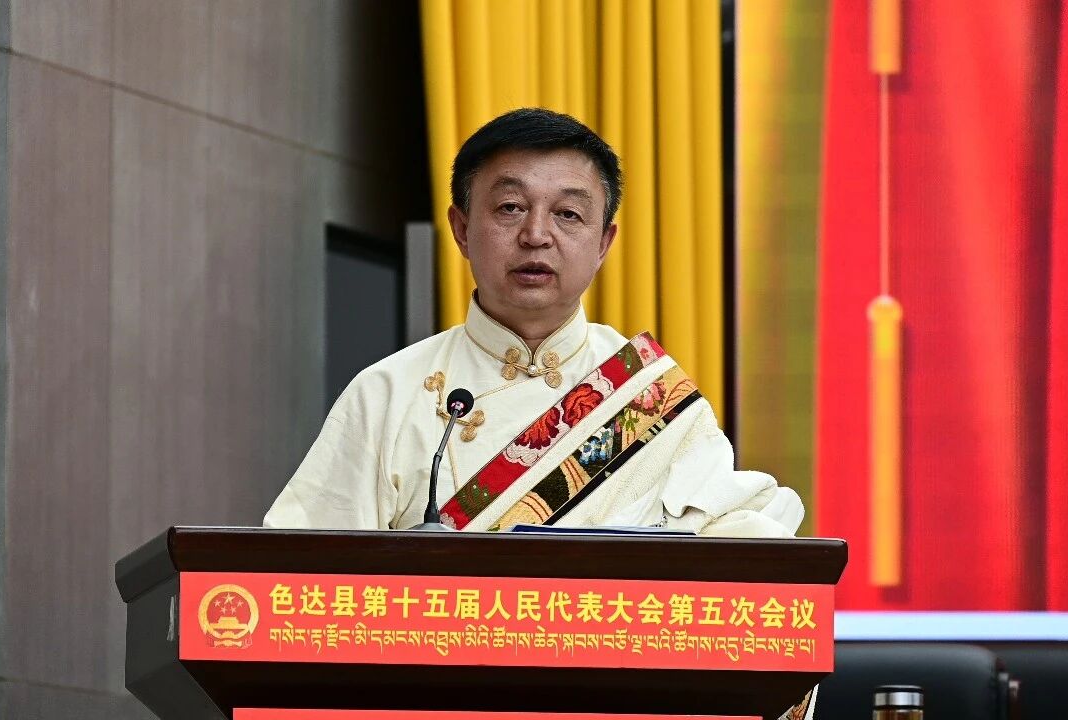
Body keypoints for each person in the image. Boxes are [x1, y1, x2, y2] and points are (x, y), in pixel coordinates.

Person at [264, 108, 804, 537]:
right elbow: (300, 574)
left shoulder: (650, 395)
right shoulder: (387, 394)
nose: (537, 235)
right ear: (461, 229)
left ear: (603, 243)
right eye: (510, 208)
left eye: (568, 214)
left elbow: (746, 546)